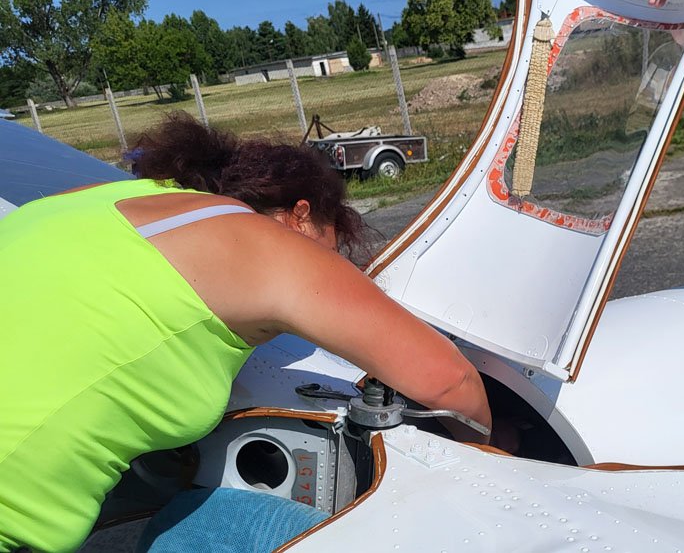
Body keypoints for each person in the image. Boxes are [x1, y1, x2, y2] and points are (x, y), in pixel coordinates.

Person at [0, 113, 492, 552]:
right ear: (301, 216)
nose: (329, 267)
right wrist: (497, 449)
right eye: (331, 247)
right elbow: (450, 382)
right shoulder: (265, 243)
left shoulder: (91, 199)